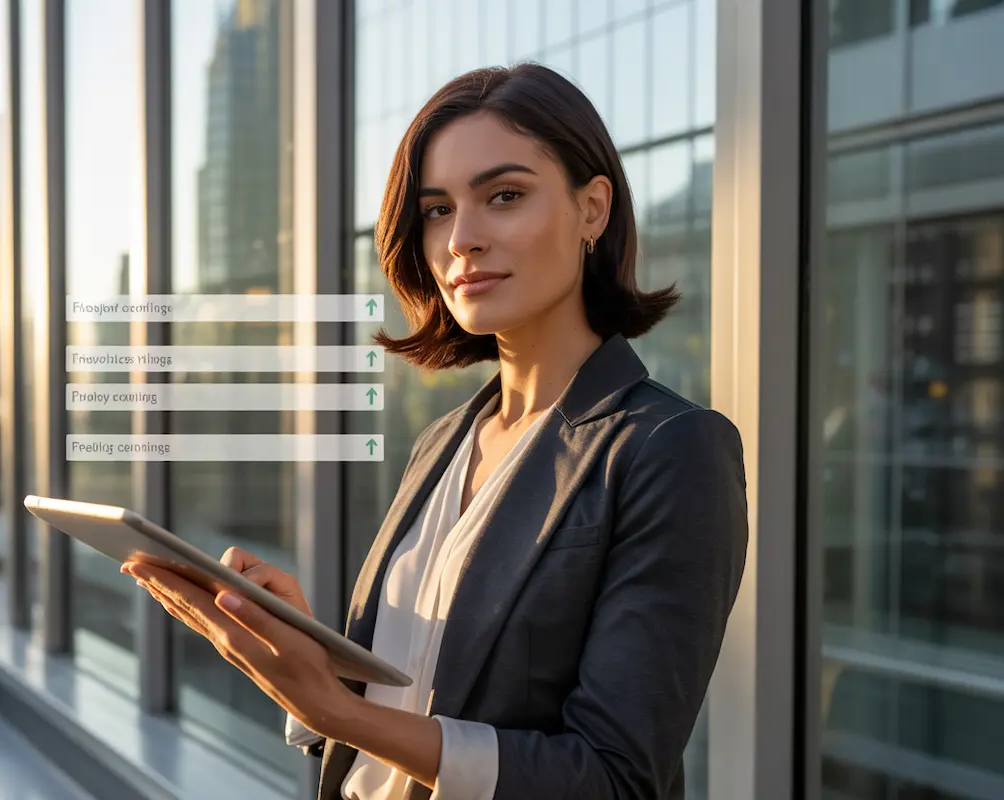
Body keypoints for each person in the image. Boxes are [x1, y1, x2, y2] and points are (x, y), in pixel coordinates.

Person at [124, 63, 748, 800]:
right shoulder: (444, 441)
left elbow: (613, 779)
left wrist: (333, 709)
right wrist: (310, 667)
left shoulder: (669, 447)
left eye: (504, 196)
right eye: (437, 210)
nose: (462, 240)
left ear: (593, 208)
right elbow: (405, 718)